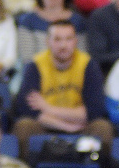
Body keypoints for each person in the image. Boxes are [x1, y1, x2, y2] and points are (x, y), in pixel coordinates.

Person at [11, 19, 113, 159]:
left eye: (68, 39)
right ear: (48, 42)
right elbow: (27, 110)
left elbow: (94, 111)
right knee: (24, 126)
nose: (63, 45)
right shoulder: (35, 65)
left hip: (81, 127)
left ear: (76, 41)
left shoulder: (88, 65)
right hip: (47, 127)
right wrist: (66, 126)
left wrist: (47, 108)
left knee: (103, 127)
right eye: (57, 39)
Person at [15, 0, 87, 68]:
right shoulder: (28, 21)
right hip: (36, 75)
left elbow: (82, 58)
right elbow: (27, 60)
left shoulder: (78, 21)